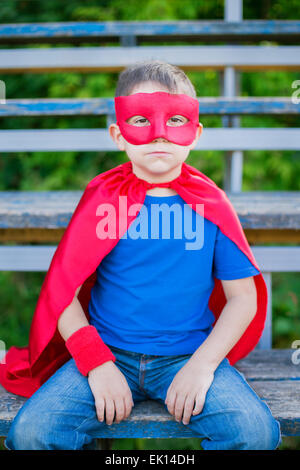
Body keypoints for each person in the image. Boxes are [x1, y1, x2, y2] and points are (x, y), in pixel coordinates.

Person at [4, 60, 281, 450]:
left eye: (175, 122)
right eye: (140, 120)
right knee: (31, 433)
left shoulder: (211, 206)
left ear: (195, 132)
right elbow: (62, 293)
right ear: (118, 134)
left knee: (255, 433)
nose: (159, 136)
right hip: (108, 353)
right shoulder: (102, 202)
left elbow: (243, 297)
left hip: (187, 355)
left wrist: (202, 367)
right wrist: (96, 363)